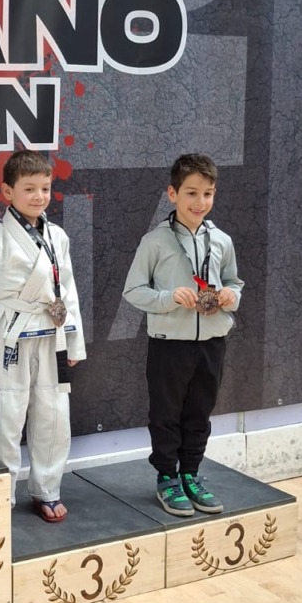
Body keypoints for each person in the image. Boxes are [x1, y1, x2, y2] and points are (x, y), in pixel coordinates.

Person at [0, 150, 85, 522]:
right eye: (29, 188)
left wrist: (75, 341)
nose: (39, 196)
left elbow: (68, 292)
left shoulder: (57, 236)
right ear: (7, 192)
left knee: (53, 414)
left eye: (45, 188)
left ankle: (47, 489)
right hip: (11, 335)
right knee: (4, 413)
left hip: (52, 333)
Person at [122, 152, 243, 517]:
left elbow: (234, 282)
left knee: (200, 411)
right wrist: (168, 297)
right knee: (166, 413)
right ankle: (166, 477)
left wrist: (230, 295)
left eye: (207, 194)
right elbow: (133, 291)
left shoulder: (221, 240)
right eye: (191, 193)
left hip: (212, 343)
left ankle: (190, 473)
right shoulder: (155, 242)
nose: (199, 202)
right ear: (172, 194)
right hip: (169, 344)